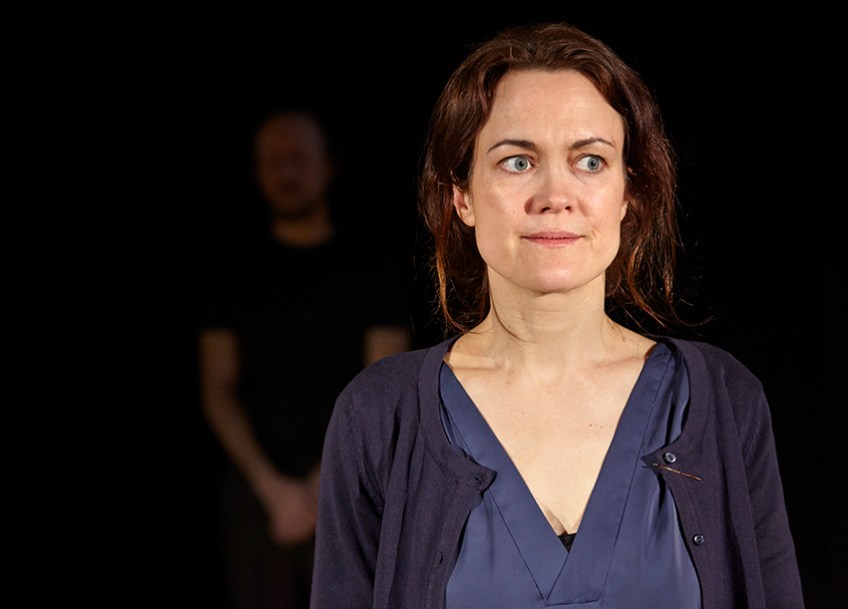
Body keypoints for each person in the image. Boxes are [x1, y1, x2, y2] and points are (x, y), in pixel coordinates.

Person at [310, 22, 804, 609]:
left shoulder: (723, 401)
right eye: (518, 162)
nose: (556, 196)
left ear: (629, 193)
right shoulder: (377, 416)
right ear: (461, 195)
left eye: (590, 161)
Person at [197, 107, 412, 609]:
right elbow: (217, 388)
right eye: (273, 163)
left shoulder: (373, 266)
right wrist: (273, 489)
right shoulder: (230, 273)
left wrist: (320, 485)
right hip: (257, 487)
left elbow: (383, 382)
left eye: (298, 159)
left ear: (327, 166)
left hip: (353, 480)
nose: (286, 173)